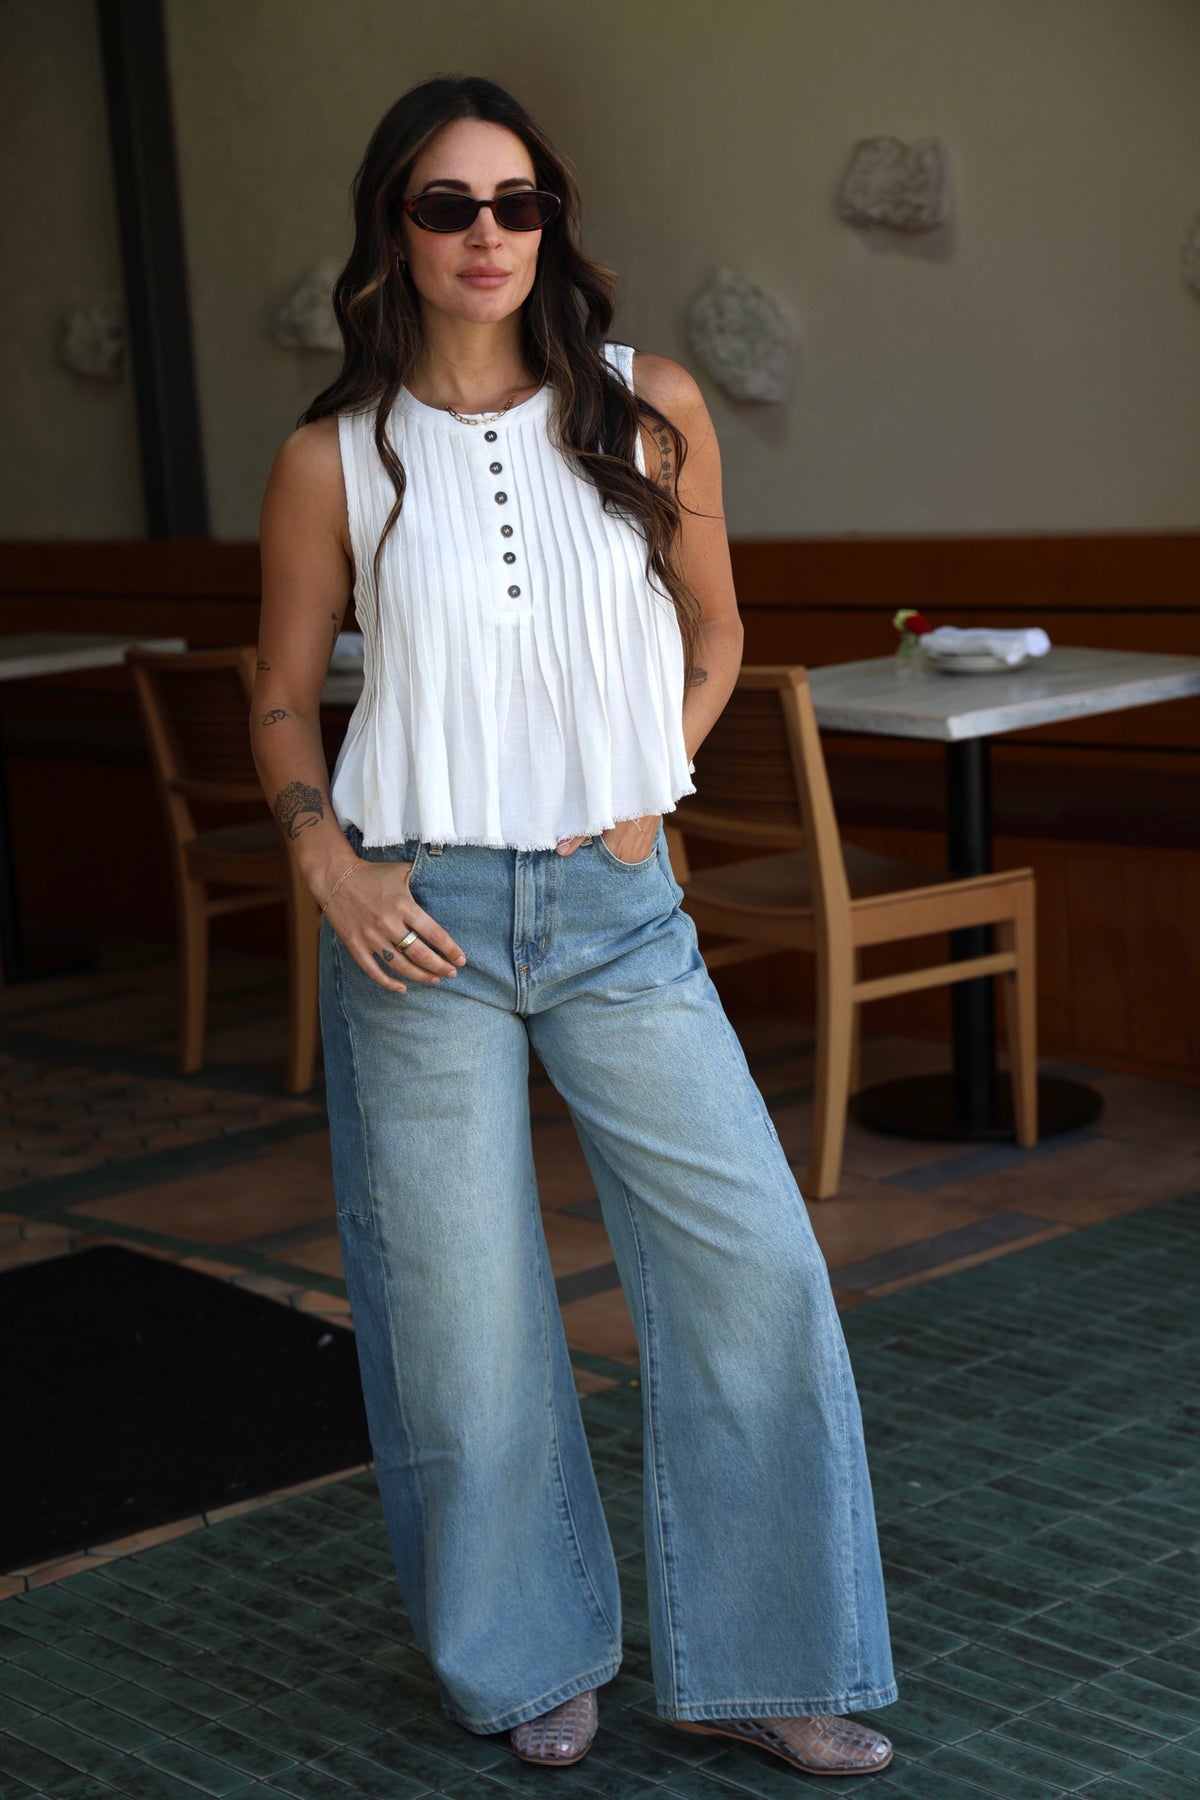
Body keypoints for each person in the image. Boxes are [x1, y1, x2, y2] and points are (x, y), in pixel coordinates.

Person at [253, 74, 896, 1778]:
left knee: (755, 1273)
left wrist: (647, 782)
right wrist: (330, 866)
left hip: (620, 910)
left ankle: (770, 1661)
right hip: (419, 920)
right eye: (448, 205)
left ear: (553, 223)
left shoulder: (647, 405)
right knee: (459, 1324)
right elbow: (280, 697)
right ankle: (528, 1651)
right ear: (394, 230)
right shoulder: (332, 458)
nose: (488, 234)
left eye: (517, 203)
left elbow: (719, 633)